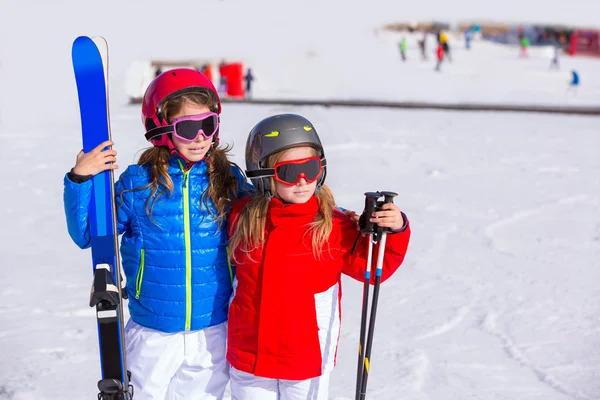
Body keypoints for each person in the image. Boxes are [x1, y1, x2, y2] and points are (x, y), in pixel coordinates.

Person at [63, 68, 253, 400]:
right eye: (188, 128)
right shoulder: (138, 184)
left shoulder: (229, 181)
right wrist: (80, 179)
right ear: (161, 128)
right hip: (152, 332)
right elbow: (88, 236)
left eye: (207, 125)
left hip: (213, 330)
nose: (200, 138)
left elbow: (265, 223)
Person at [226, 114, 411, 400]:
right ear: (263, 174)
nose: (302, 181)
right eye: (289, 172)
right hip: (250, 356)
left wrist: (393, 229)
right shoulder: (242, 218)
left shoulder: (332, 225)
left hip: (305, 360)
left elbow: (375, 268)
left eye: (310, 169)